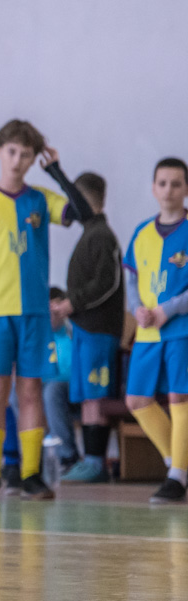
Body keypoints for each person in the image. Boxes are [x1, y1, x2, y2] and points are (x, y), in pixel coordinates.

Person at [0, 121, 91, 501]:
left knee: (31, 391)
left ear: (33, 159)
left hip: (33, 313)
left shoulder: (41, 199)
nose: (17, 160)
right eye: (12, 152)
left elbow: (84, 213)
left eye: (25, 154)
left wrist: (56, 171)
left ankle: (31, 474)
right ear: (0, 152)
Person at [49, 171, 124, 483]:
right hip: (84, 329)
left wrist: (72, 303)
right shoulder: (90, 234)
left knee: (96, 396)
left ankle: (96, 462)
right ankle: (89, 460)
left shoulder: (102, 236)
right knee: (87, 396)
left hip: (99, 331)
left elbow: (107, 282)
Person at [123, 157, 188, 504]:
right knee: (136, 399)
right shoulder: (141, 232)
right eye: (163, 183)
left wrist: (168, 309)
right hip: (148, 332)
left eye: (176, 183)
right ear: (153, 188)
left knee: (180, 397)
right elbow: (132, 279)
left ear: (186, 188)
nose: (169, 190)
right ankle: (177, 461)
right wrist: (137, 309)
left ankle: (176, 477)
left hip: (181, 329)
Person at [44, 287, 78, 471]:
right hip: (43, 385)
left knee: (53, 390)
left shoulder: (73, 329)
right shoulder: (38, 336)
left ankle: (68, 456)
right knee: (15, 394)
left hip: (72, 386)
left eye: (55, 310)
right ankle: (26, 458)